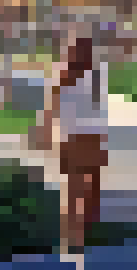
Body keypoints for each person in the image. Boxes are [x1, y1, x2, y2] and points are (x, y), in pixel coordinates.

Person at [38, 35, 107, 253]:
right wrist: (46, 131)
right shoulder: (64, 75)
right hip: (75, 137)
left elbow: (97, 108)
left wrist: (102, 137)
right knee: (77, 187)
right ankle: (73, 236)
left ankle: (81, 233)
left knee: (86, 186)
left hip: (85, 136)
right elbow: (51, 107)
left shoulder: (94, 74)